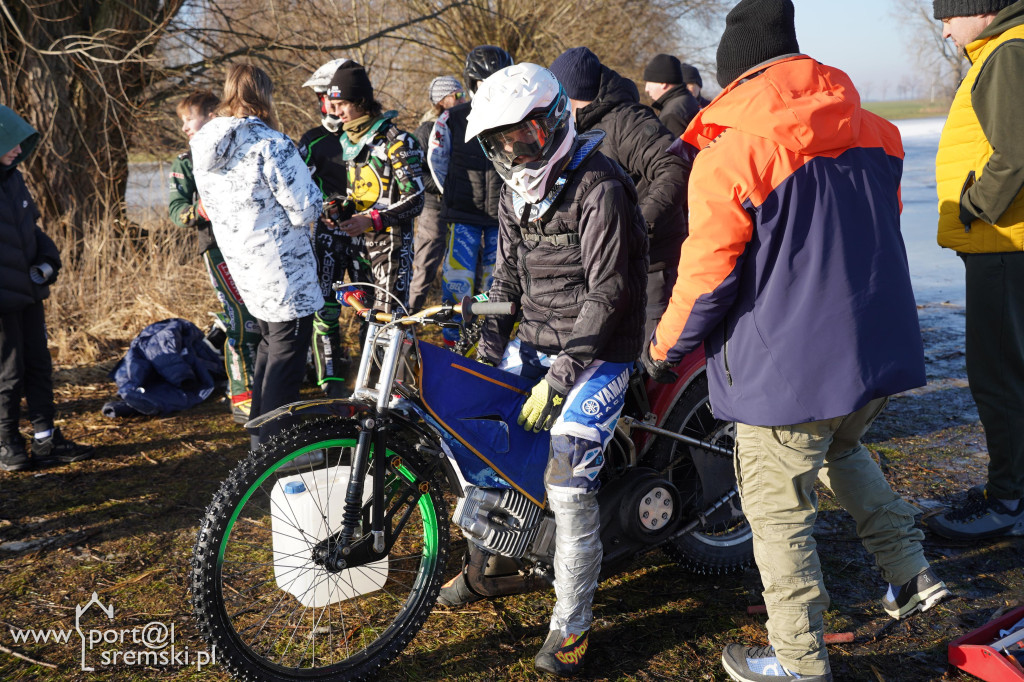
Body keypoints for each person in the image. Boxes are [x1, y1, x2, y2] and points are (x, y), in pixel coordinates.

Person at [641, 1, 950, 679]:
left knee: (777, 511)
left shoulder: (733, 152)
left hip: (788, 369)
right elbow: (872, 230)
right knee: (842, 448)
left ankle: (798, 659)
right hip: (874, 350)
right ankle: (910, 571)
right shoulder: (878, 134)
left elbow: (708, 274)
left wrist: (663, 350)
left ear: (734, 78)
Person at [459, 63, 649, 677]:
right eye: (499, 143)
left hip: (601, 353)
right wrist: (484, 349)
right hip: (539, 347)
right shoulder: (516, 195)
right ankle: (493, 565)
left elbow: (608, 292)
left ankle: (571, 627)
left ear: (553, 122)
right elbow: (503, 287)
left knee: (567, 486)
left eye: (521, 138)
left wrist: (561, 376)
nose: (513, 153)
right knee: (478, 440)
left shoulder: (600, 186)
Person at [924, 0, 1024, 540]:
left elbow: (1016, 153)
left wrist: (974, 205)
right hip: (1007, 242)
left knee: (999, 376)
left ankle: (1008, 503)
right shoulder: (1002, 51)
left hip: (1005, 243)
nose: (943, 29)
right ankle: (1010, 492)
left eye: (948, 15)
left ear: (979, 9)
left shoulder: (1007, 54)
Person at [190, 64, 323, 449]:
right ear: (264, 94)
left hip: (244, 264)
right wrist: (314, 186)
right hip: (283, 268)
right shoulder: (270, 144)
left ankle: (259, 436)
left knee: (269, 343)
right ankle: (274, 449)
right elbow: (303, 208)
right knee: (287, 352)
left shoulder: (207, 145)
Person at [549, 46, 689, 339]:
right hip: (608, 267)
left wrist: (636, 226)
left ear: (571, 95)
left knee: (649, 359)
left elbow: (675, 166)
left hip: (650, 265)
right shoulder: (577, 127)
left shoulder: (627, 120)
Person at [0, 105, 94, 471]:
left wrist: (49, 261)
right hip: (3, 304)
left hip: (29, 293)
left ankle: (45, 439)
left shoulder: (14, 179)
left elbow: (33, 230)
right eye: (11, 143)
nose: (18, 150)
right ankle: (8, 443)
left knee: (39, 365)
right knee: (8, 374)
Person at [169, 90, 260, 423]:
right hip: (217, 248)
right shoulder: (185, 160)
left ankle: (265, 388)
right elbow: (176, 209)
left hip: (253, 245)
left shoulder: (238, 147)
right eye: (182, 122)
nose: (184, 128)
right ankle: (242, 396)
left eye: (188, 119)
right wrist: (200, 209)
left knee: (264, 319)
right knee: (240, 319)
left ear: (210, 115)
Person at [297, 58, 374, 398]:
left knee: (369, 308)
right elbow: (295, 187)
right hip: (329, 236)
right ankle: (329, 381)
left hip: (367, 235)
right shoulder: (312, 140)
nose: (324, 105)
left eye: (326, 96)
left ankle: (369, 377)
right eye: (319, 98)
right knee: (325, 306)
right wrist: (323, 204)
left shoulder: (372, 137)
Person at [427, 46, 513, 345]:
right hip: (463, 214)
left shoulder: (516, 113)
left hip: (502, 218)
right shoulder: (451, 117)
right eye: (483, 81)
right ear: (472, 81)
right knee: (457, 282)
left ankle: (488, 341)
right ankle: (453, 340)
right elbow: (436, 160)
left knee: (496, 283)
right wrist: (451, 192)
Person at [327, 61, 425, 314]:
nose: (336, 112)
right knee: (367, 324)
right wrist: (340, 209)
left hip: (391, 248)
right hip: (359, 247)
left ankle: (412, 354)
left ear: (360, 101)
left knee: (388, 324)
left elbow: (416, 199)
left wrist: (372, 220)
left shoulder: (397, 141)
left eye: (341, 105)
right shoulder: (351, 141)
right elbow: (360, 195)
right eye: (333, 106)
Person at [409, 75, 463, 312]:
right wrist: (446, 185)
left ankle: (456, 326)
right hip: (433, 209)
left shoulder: (459, 126)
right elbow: (416, 175)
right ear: (443, 100)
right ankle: (403, 326)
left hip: (459, 208)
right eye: (458, 95)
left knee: (461, 272)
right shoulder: (426, 130)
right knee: (424, 269)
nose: (464, 99)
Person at [643, 53, 700, 137]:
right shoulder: (687, 101)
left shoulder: (672, 115)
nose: (646, 89)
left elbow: (672, 149)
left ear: (663, 83)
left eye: (649, 82)